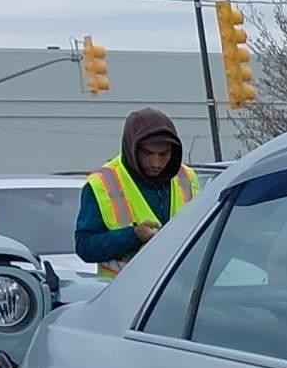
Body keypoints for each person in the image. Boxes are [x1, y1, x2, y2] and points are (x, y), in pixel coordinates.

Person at [76, 108, 199, 277]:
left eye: (164, 154)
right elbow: (85, 247)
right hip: (122, 292)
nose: (156, 163)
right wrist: (133, 236)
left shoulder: (187, 177)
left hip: (177, 289)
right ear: (132, 148)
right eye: (148, 153)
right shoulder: (101, 183)